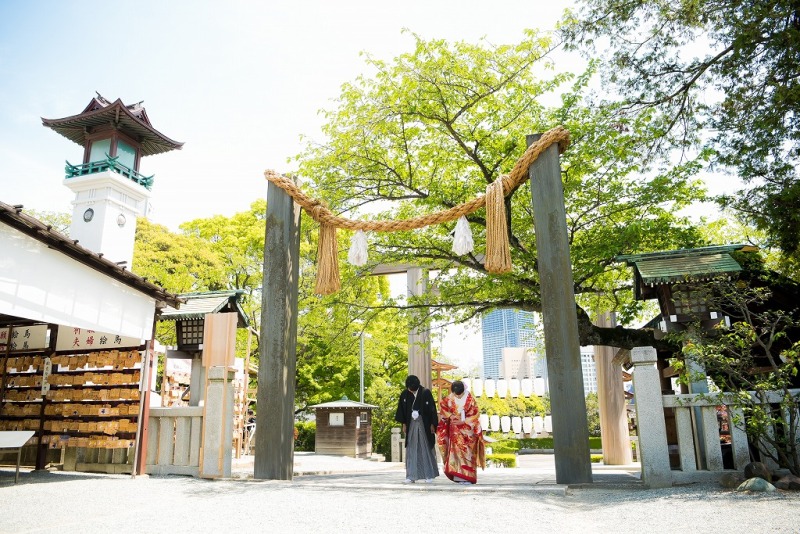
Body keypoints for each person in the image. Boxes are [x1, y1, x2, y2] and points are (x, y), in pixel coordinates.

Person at [436, 379, 484, 485]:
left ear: (464, 390)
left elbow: (475, 414)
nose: (457, 396)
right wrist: (451, 416)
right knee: (456, 453)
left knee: (468, 453)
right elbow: (443, 406)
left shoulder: (470, 399)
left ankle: (468, 477)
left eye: (459, 394)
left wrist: (464, 421)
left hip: (468, 431)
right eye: (455, 394)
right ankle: (458, 476)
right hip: (455, 430)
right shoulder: (450, 398)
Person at [394, 375, 439, 483]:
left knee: (426, 447)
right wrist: (404, 424)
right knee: (412, 449)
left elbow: (432, 409)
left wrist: (433, 424)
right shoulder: (405, 394)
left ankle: (429, 475)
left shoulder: (425, 392)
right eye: (409, 387)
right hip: (411, 423)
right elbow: (402, 410)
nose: (410, 389)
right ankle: (411, 475)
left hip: (424, 423)